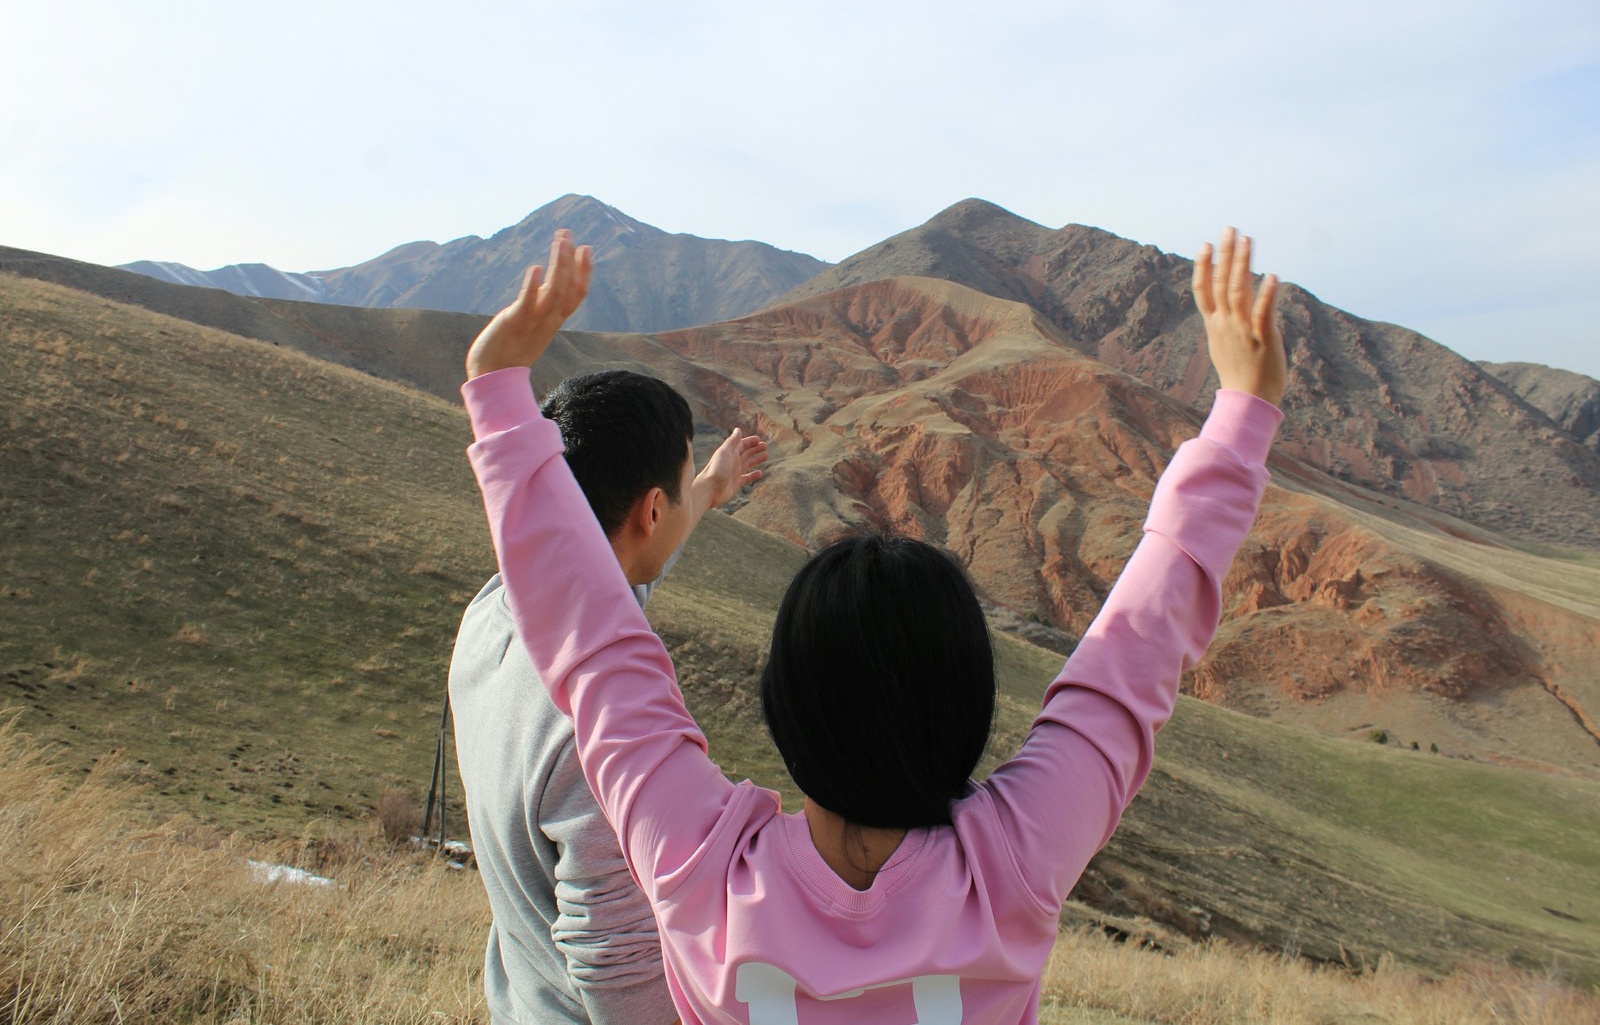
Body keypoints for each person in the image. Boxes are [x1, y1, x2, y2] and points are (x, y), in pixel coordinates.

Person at [460, 226, 1285, 1023]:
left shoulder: (698, 871)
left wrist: (501, 395)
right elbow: (1128, 667)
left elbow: (596, 649)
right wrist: (1242, 417)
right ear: (969, 710)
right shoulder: (1012, 867)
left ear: (784, 707)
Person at [450, 230, 768, 1025]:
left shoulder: (494, 614)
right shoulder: (599, 739)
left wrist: (708, 490)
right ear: (647, 510)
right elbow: (624, 981)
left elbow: (601, 565)